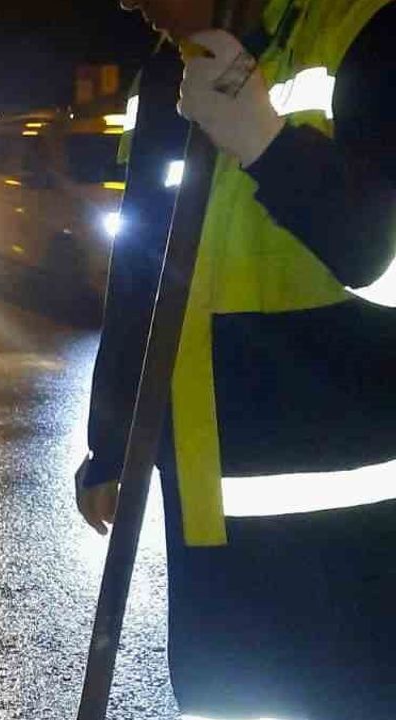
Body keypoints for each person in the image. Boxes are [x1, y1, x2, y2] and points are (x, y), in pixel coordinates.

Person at [76, 0, 395, 716]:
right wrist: (113, 443)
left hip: (361, 529)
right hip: (210, 508)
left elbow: (380, 256)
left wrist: (267, 143)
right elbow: (143, 273)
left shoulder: (365, 35)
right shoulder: (170, 72)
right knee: (226, 699)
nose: (128, 2)